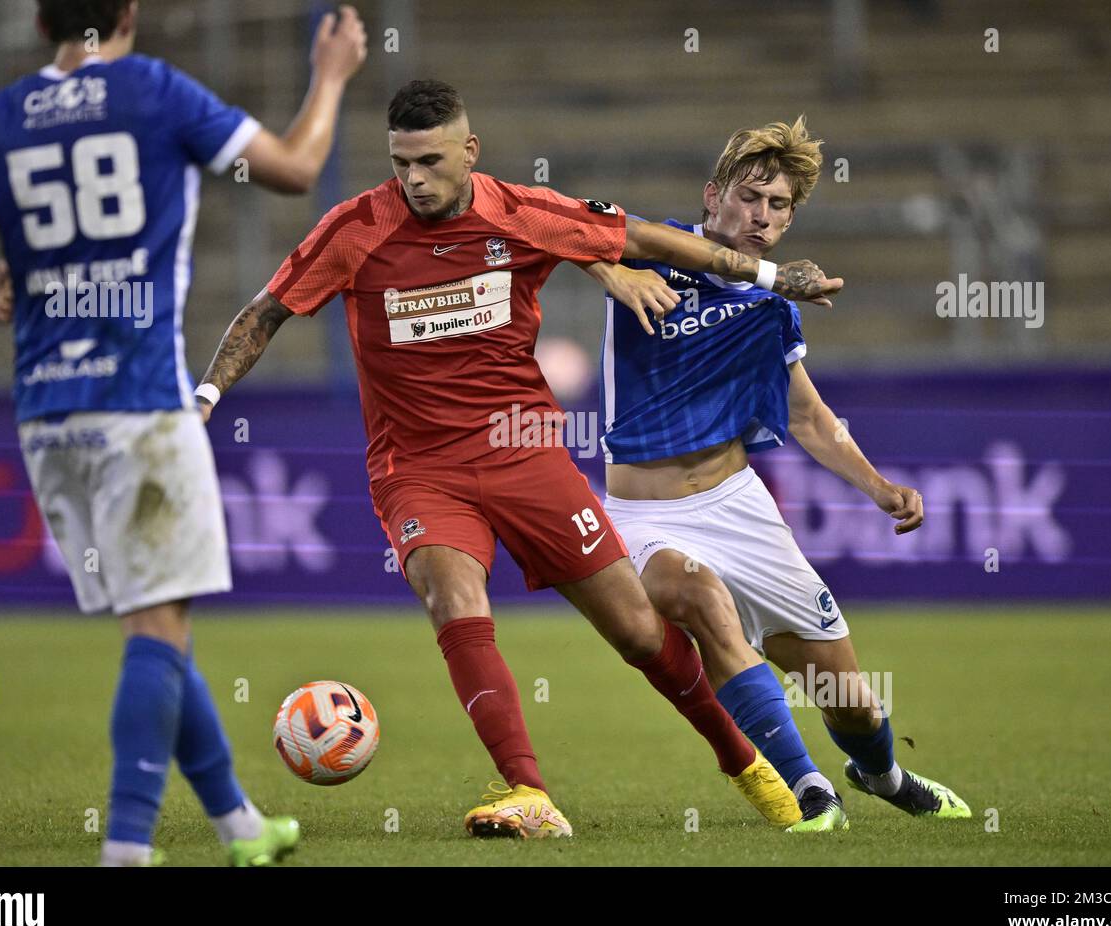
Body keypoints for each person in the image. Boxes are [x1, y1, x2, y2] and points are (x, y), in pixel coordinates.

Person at [194, 79, 844, 838]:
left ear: (469, 151)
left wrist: (770, 276)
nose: (415, 180)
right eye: (401, 162)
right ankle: (527, 792)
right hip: (419, 468)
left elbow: (650, 239)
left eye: (431, 161)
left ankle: (747, 766)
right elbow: (266, 311)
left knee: (639, 633)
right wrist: (203, 400)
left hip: (524, 452)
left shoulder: (522, 213)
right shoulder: (356, 228)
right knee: (453, 597)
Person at [0, 0, 369, 865]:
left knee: (153, 622)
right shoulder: (155, 90)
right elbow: (297, 167)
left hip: (47, 412)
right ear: (127, 12)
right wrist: (332, 74)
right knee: (158, 629)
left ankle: (238, 826)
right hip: (140, 407)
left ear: (45, 21)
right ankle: (125, 848)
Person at [587, 118, 970, 828]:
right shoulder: (655, 251)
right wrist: (608, 267)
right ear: (714, 195)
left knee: (847, 695)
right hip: (645, 515)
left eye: (780, 205)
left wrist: (882, 489)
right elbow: (575, 227)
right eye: (751, 195)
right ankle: (806, 786)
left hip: (739, 508)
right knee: (698, 601)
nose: (762, 216)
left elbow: (809, 420)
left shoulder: (772, 309)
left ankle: (882, 776)